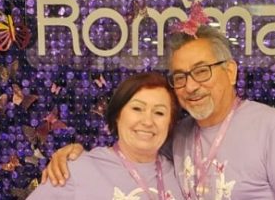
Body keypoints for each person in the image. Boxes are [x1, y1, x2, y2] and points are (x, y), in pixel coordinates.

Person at [45, 25, 275, 200]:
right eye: (180, 77)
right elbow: (132, 153)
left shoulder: (273, 128)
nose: (191, 86)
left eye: (202, 71)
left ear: (230, 72)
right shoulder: (177, 135)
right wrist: (73, 155)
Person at [28, 72, 184, 200]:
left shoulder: (181, 174)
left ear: (170, 122)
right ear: (118, 115)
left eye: (159, 112)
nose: (148, 121)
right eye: (137, 109)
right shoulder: (77, 171)